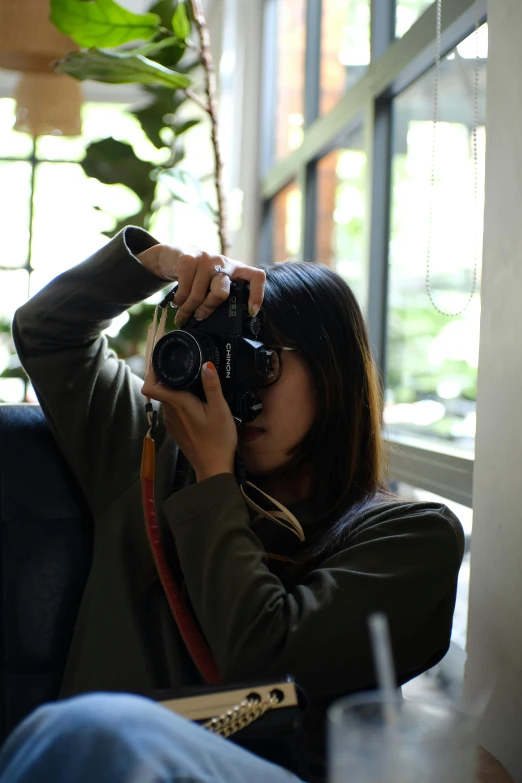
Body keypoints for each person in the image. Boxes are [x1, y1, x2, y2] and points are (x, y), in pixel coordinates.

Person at [0, 227, 464, 782]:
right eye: (222, 360)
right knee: (88, 734)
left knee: (99, 729)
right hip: (106, 765)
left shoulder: (411, 537)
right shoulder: (148, 454)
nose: (235, 387)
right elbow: (47, 332)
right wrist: (158, 265)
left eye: (262, 360)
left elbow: (262, 661)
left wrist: (213, 477)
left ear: (333, 371)